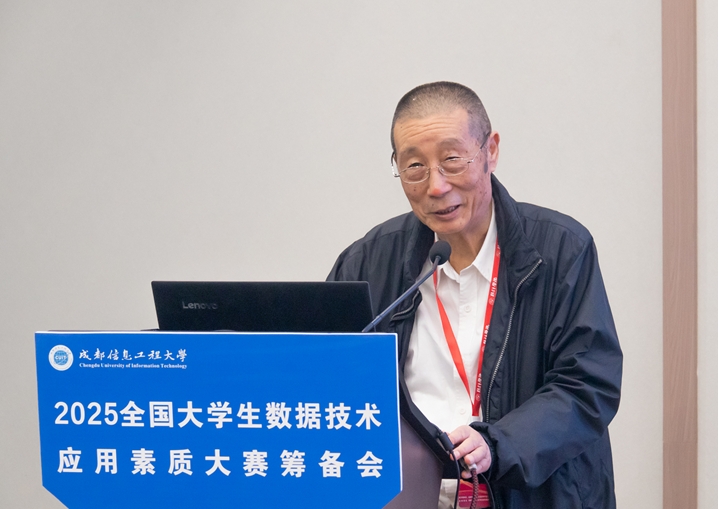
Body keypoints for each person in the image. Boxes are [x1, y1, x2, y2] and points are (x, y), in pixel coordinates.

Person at [327, 82, 622, 508]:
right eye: (415, 166)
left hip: (528, 494)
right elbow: (332, 381)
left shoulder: (560, 250)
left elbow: (587, 385)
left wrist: (497, 443)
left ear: (491, 151)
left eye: (452, 160)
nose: (436, 186)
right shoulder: (367, 263)